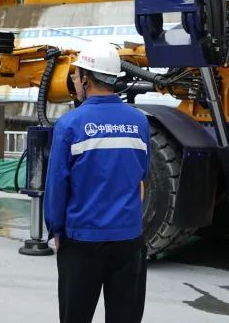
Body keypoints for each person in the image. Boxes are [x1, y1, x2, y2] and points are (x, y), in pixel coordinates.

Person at [44, 41, 150, 323]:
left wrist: (56, 229)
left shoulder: (70, 124)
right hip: (129, 240)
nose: (74, 80)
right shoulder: (139, 122)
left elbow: (56, 186)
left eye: (76, 75)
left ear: (85, 80)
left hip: (82, 240)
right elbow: (142, 173)